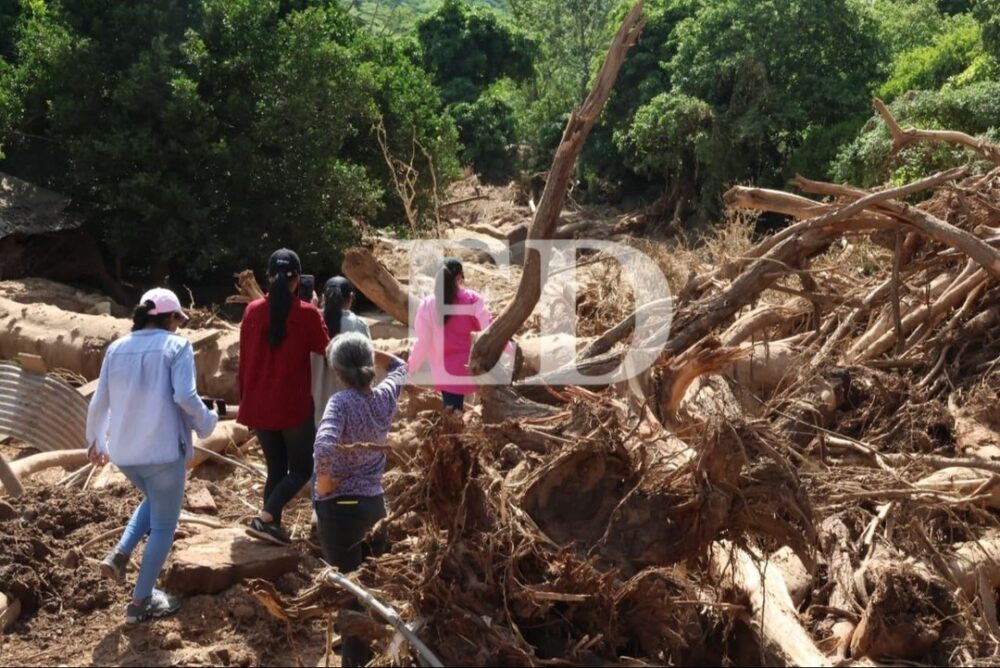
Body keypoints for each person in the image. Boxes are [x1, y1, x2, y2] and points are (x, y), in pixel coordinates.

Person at [85, 288, 219, 624]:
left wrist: (95, 440)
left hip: (126, 454)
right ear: (170, 317)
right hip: (161, 452)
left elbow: (99, 399)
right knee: (164, 526)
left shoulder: (117, 348)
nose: (179, 326)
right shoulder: (176, 346)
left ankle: (120, 554)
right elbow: (186, 396)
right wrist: (208, 423)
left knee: (154, 500)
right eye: (178, 319)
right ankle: (139, 602)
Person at [313, 333, 406, 667]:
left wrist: (324, 485)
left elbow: (324, 447)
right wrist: (367, 351)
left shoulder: (340, 403)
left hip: (340, 510)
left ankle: (355, 661)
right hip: (373, 506)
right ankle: (375, 656)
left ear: (338, 373)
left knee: (349, 593)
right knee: (372, 587)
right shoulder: (384, 398)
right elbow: (399, 366)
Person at [238, 249, 330, 545]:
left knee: (276, 469)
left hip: (258, 404)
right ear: (298, 279)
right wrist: (314, 307)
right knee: (301, 469)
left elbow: (245, 359)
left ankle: (270, 527)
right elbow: (324, 347)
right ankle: (266, 517)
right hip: (292, 406)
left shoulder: (252, 311)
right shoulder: (306, 313)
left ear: (267, 277)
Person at [408, 257, 511, 412]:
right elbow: (490, 331)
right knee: (484, 414)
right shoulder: (473, 300)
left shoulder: (428, 305)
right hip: (475, 370)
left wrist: (411, 366)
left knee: (452, 417)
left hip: (446, 375)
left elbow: (423, 342)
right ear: (458, 278)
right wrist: (510, 350)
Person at [311, 276, 371, 427]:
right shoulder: (358, 325)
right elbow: (369, 370)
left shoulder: (310, 322)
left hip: (316, 417)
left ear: (323, 298)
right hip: (351, 415)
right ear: (350, 298)